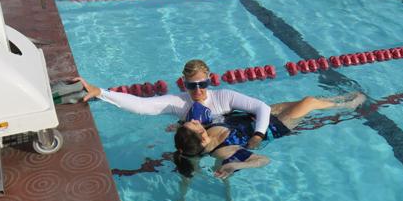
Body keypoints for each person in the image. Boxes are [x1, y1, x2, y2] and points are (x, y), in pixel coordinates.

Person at [76, 59, 271, 149]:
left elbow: (263, 107)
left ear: (209, 80)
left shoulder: (224, 96)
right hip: (199, 147)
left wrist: (257, 137)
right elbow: (141, 105)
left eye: (202, 84)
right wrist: (101, 92)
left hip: (229, 138)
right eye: (191, 86)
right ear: (183, 83)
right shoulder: (178, 102)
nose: (197, 91)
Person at [173, 92, 367, 180]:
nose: (197, 120)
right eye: (195, 124)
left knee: (306, 101)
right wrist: (237, 165)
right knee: (308, 102)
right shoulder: (224, 152)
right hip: (275, 126)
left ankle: (336, 99)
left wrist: (180, 126)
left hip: (260, 117)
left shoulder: (203, 132)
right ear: (202, 139)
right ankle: (346, 105)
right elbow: (263, 160)